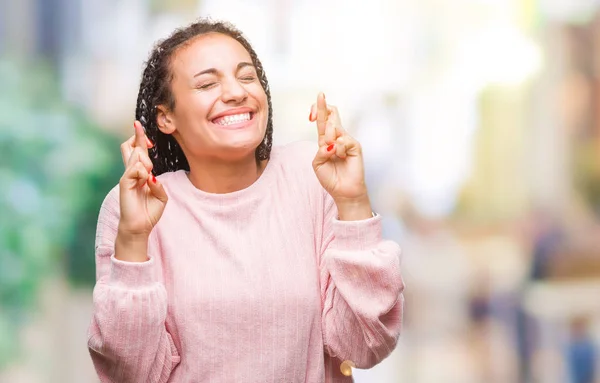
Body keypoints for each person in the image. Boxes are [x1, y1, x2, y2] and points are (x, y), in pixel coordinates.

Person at [87, 19, 404, 383]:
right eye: (207, 83)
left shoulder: (312, 177)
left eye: (247, 77)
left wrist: (352, 203)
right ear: (166, 117)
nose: (236, 92)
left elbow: (366, 346)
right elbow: (131, 372)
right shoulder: (134, 207)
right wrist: (132, 238)